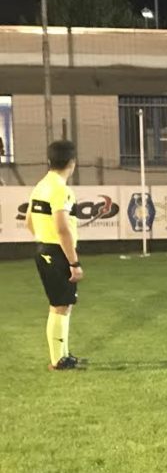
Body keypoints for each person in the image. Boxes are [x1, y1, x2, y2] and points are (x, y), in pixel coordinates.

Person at [26, 140, 85, 370]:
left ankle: (63, 355)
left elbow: (29, 221)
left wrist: (43, 238)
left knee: (62, 305)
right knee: (60, 305)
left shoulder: (41, 186)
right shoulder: (62, 190)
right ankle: (58, 360)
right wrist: (74, 262)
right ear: (72, 163)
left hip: (44, 249)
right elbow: (62, 228)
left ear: (49, 161)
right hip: (56, 252)